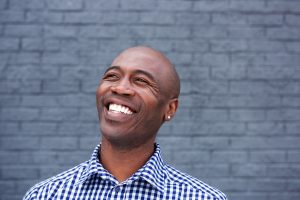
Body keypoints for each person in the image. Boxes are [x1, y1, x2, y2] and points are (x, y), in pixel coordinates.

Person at [23, 46, 227, 200]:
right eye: (112, 76)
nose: (120, 88)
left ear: (170, 109)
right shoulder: (45, 195)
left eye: (141, 81)